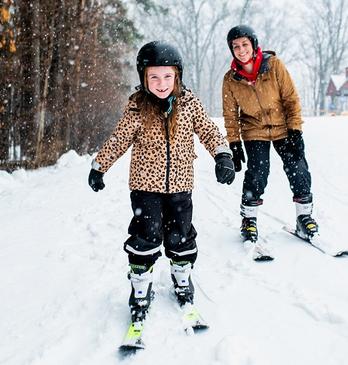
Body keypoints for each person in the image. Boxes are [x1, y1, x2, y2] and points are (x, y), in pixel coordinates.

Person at [88, 41, 235, 323]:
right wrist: (99, 167)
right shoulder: (136, 108)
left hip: (181, 186)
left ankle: (182, 279)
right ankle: (140, 289)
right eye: (154, 77)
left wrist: (222, 155)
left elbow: (208, 130)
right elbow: (119, 140)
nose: (161, 83)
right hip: (145, 189)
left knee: (181, 235)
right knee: (146, 236)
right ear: (144, 78)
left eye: (168, 76)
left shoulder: (189, 103)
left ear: (177, 76)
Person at [222, 25, 318, 244]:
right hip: (254, 130)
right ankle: (249, 220)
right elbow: (229, 115)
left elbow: (291, 99)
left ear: (254, 45)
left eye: (245, 44)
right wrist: (234, 143)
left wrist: (295, 129)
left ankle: (304, 216)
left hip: (283, 127)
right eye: (235, 46)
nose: (241, 49)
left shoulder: (273, 66)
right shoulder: (230, 79)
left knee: (298, 168)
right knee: (258, 172)